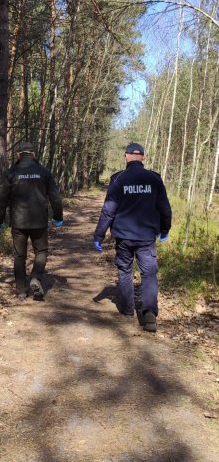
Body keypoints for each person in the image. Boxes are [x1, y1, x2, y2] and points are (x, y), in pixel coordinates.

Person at [93, 142, 171, 332]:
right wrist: (165, 229)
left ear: (126, 156)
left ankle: (128, 309)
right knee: (149, 273)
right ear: (143, 157)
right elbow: (164, 208)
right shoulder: (154, 179)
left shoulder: (118, 179)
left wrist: (99, 234)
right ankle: (149, 312)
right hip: (146, 237)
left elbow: (108, 210)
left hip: (124, 237)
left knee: (125, 270)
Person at [0, 141, 63, 301]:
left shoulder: (11, 172)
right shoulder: (44, 172)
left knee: (19, 256)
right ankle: (35, 278)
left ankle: (21, 290)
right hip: (39, 221)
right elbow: (55, 197)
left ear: (18, 155)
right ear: (33, 154)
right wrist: (58, 217)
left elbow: (1, 198)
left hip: (18, 222)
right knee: (41, 251)